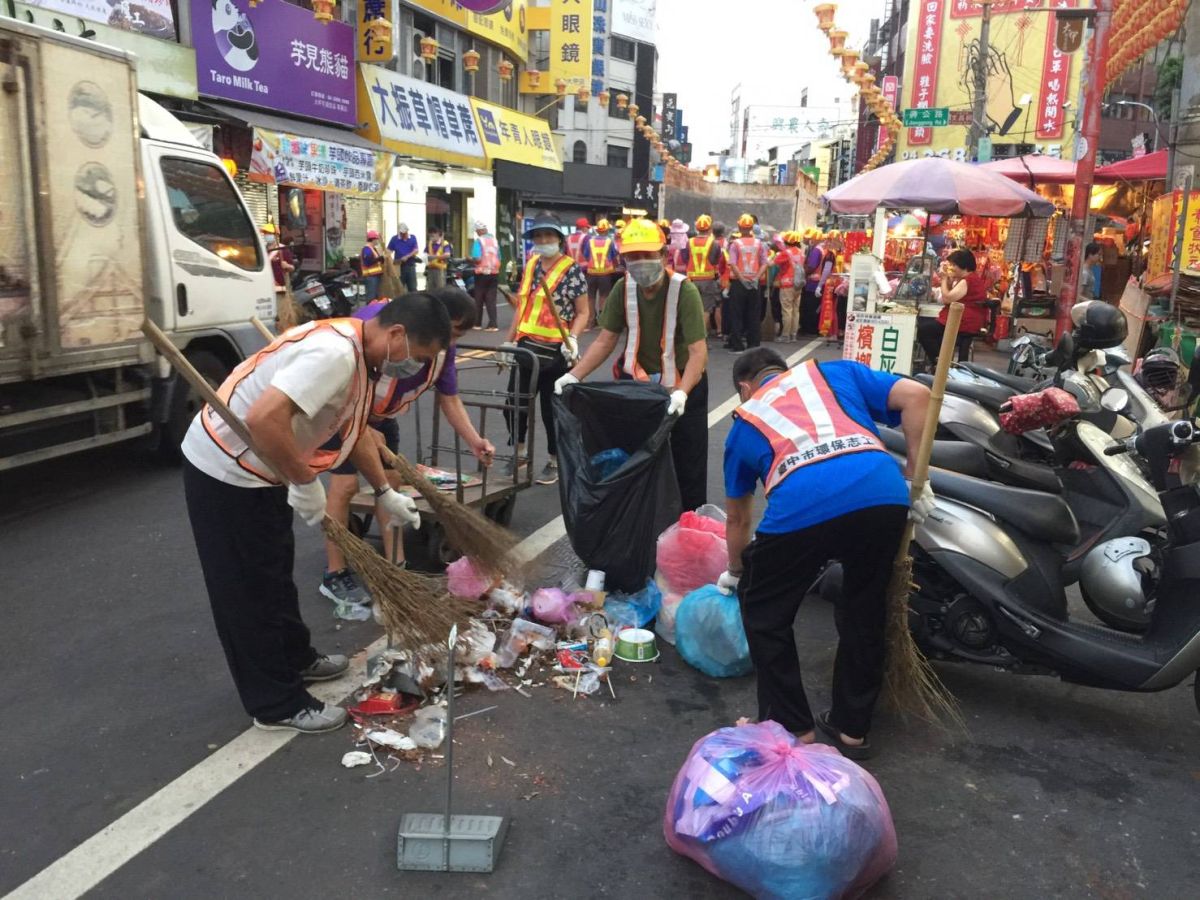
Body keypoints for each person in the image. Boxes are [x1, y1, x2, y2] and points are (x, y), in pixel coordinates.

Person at [180, 296, 451, 733]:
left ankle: (295, 657)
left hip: (264, 470)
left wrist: (384, 491)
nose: (415, 368)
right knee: (247, 589)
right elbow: (265, 418)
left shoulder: (365, 356)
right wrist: (306, 483)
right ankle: (276, 704)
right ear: (397, 334)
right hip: (227, 470)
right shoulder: (335, 355)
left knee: (274, 570)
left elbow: (355, 428)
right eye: (417, 357)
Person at [719, 347, 934, 759]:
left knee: (765, 612)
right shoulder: (834, 371)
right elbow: (918, 396)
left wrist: (734, 571)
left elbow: (738, 520)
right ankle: (852, 728)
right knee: (865, 605)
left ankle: (794, 727)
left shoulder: (745, 421)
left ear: (745, 387)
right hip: (881, 493)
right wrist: (915, 477)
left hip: (802, 507)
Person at [320, 289, 495, 605]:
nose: (450, 342)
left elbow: (449, 397)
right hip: (345, 410)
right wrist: (360, 426)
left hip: (382, 416)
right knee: (344, 487)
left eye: (457, 336)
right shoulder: (371, 327)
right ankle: (335, 574)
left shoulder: (441, 348)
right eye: (452, 332)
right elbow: (338, 386)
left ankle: (396, 567)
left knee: (390, 487)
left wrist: (474, 440)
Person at [554, 218, 710, 511]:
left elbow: (698, 351)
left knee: (688, 462)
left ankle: (689, 527)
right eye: (632, 257)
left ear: (663, 256)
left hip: (682, 385)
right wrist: (574, 376)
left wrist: (682, 393)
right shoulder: (623, 289)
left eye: (647, 256)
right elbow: (605, 340)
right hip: (639, 387)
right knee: (636, 456)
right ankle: (641, 519)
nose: (640, 263)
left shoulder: (683, 291)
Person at [501, 214, 589, 484]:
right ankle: (520, 454)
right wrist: (508, 340)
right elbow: (522, 306)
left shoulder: (571, 269)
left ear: (559, 239)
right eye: (538, 236)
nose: (543, 241)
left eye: (548, 236)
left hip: (555, 350)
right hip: (527, 346)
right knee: (514, 404)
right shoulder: (530, 266)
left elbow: (584, 311)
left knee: (551, 410)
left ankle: (554, 460)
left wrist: (572, 338)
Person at [917, 248, 990, 364]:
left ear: (964, 266)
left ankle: (941, 364)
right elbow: (950, 297)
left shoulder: (968, 281)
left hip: (963, 323)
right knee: (931, 332)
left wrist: (944, 279)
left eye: (954, 265)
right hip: (963, 320)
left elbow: (947, 298)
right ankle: (941, 362)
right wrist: (948, 280)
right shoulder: (968, 279)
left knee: (924, 331)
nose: (952, 268)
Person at [724, 213, 769, 352]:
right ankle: (753, 343)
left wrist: (742, 279)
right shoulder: (759, 244)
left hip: (739, 283)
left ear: (739, 226)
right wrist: (756, 278)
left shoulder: (735, 244)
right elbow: (764, 263)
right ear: (752, 227)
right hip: (755, 283)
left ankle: (737, 344)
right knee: (754, 314)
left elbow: (732, 263)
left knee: (736, 314)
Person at [685, 215, 721, 336]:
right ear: (710, 228)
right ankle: (702, 336)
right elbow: (715, 260)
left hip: (691, 280)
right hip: (708, 280)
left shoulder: (689, 242)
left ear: (697, 228)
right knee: (706, 309)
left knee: (692, 309)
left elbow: (685, 259)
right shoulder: (714, 243)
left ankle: (691, 335)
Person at [583, 218, 620, 326]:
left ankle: (590, 321)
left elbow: (586, 255)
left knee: (590, 297)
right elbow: (614, 256)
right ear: (607, 230)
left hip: (591, 272)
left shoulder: (590, 241)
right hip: (605, 273)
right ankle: (602, 321)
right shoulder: (610, 241)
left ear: (597, 230)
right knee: (604, 296)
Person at [469, 220, 501, 332]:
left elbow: (477, 258)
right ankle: (493, 324)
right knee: (491, 299)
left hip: (482, 272)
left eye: (477, 231)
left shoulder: (479, 241)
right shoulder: (494, 241)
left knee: (479, 298)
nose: (477, 233)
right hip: (494, 272)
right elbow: (499, 257)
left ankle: (477, 323)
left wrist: (470, 259)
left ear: (479, 230)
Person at [800, 231, 833, 336]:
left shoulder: (817, 250)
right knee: (817, 307)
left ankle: (809, 328)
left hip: (813, 283)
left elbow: (812, 266)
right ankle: (815, 327)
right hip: (823, 282)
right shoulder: (826, 249)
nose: (810, 241)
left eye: (811, 239)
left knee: (809, 306)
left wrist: (803, 273)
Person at [775, 231, 806, 342]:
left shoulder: (786, 253)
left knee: (787, 310)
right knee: (795, 310)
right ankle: (793, 334)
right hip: (798, 284)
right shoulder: (801, 253)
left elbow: (776, 261)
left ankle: (785, 335)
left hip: (787, 284)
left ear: (786, 242)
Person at [387, 224, 420, 293]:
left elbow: (416, 250)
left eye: (405, 233)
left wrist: (407, 256)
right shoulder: (394, 239)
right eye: (402, 233)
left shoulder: (412, 238)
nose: (404, 234)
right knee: (399, 286)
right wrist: (388, 259)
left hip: (410, 265)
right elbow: (389, 251)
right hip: (399, 266)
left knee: (412, 287)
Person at [263, 223, 294, 291]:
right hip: (264, 287)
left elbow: (292, 268)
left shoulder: (282, 249)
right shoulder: (261, 249)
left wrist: (287, 266)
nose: (266, 235)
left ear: (276, 235)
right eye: (265, 233)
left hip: (279, 287)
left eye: (269, 233)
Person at [360, 230, 384, 302]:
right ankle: (369, 312)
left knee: (375, 297)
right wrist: (377, 259)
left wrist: (380, 260)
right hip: (371, 276)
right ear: (373, 239)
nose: (377, 241)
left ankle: (373, 312)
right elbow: (367, 262)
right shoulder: (367, 249)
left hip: (375, 276)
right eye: (377, 239)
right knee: (371, 297)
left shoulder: (373, 248)